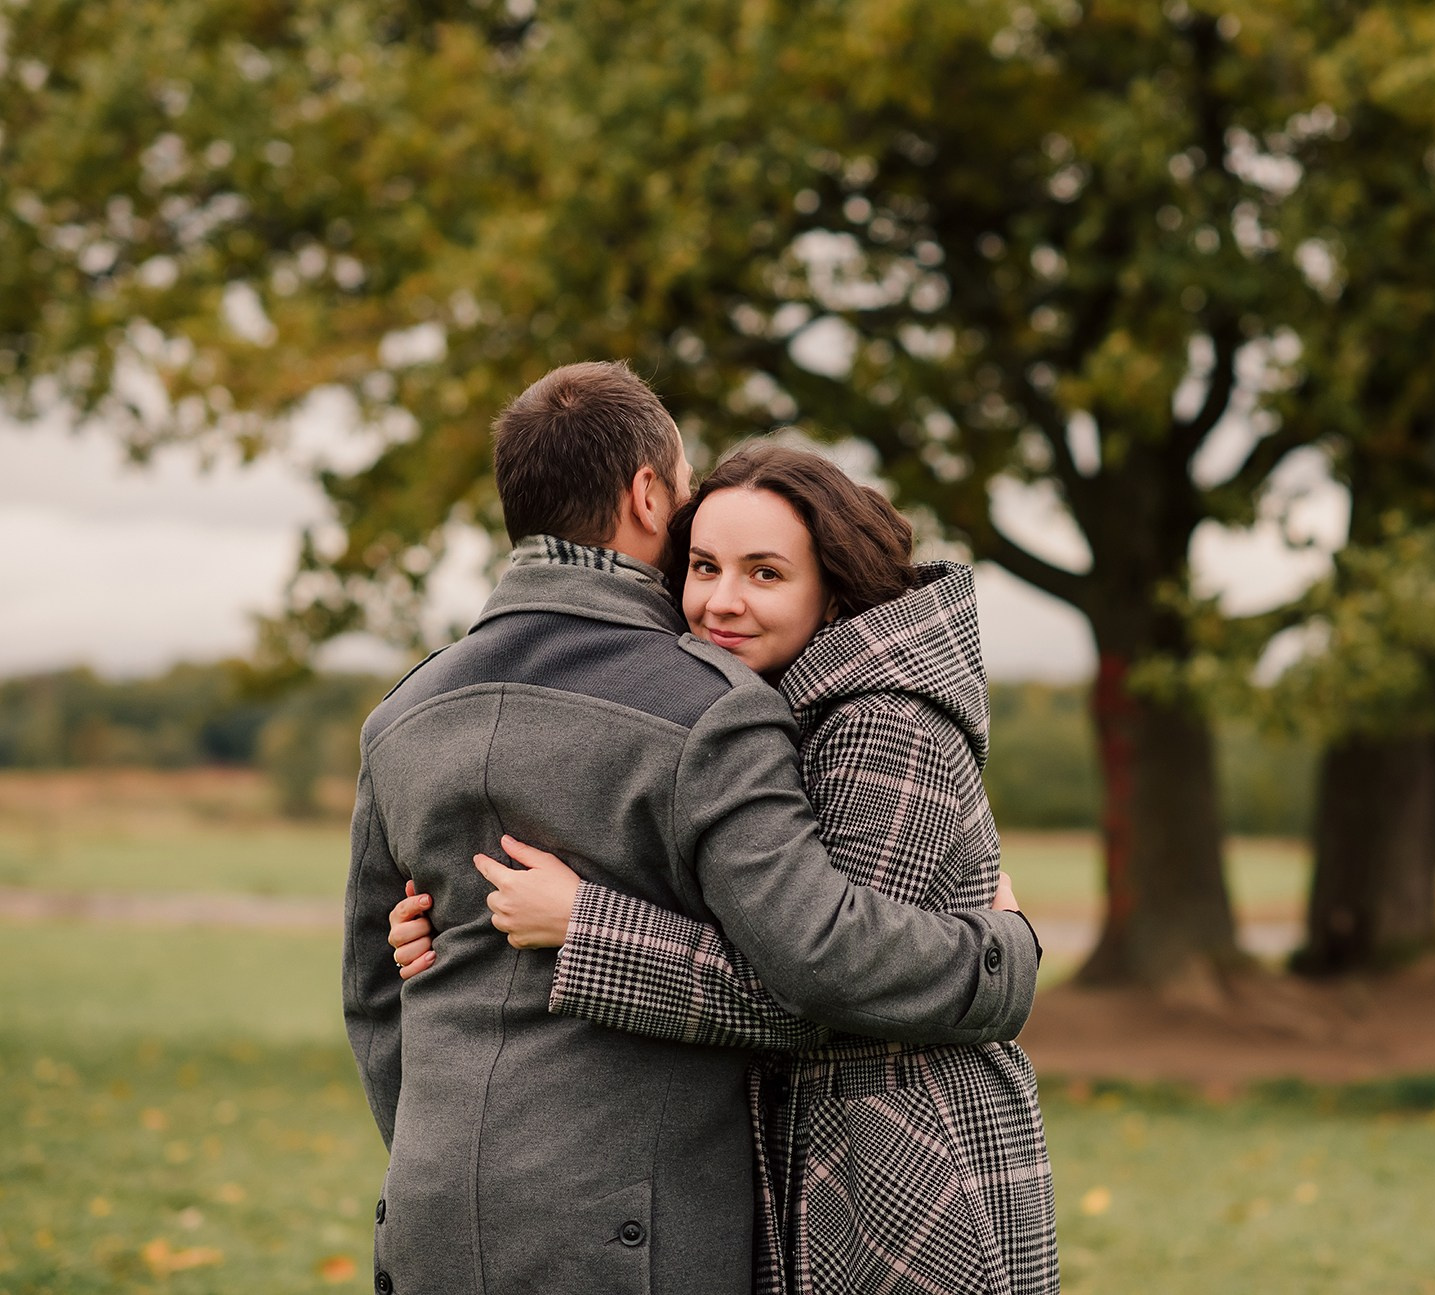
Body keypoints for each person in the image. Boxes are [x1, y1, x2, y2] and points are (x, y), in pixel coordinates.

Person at [343, 362, 1040, 1295]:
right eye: (702, 558)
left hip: (439, 1217)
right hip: (648, 1237)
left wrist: (456, 1160)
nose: (715, 596)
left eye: (762, 571)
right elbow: (814, 970)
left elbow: (374, 1000)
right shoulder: (714, 708)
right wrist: (1003, 954)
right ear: (647, 494)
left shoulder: (401, 711)